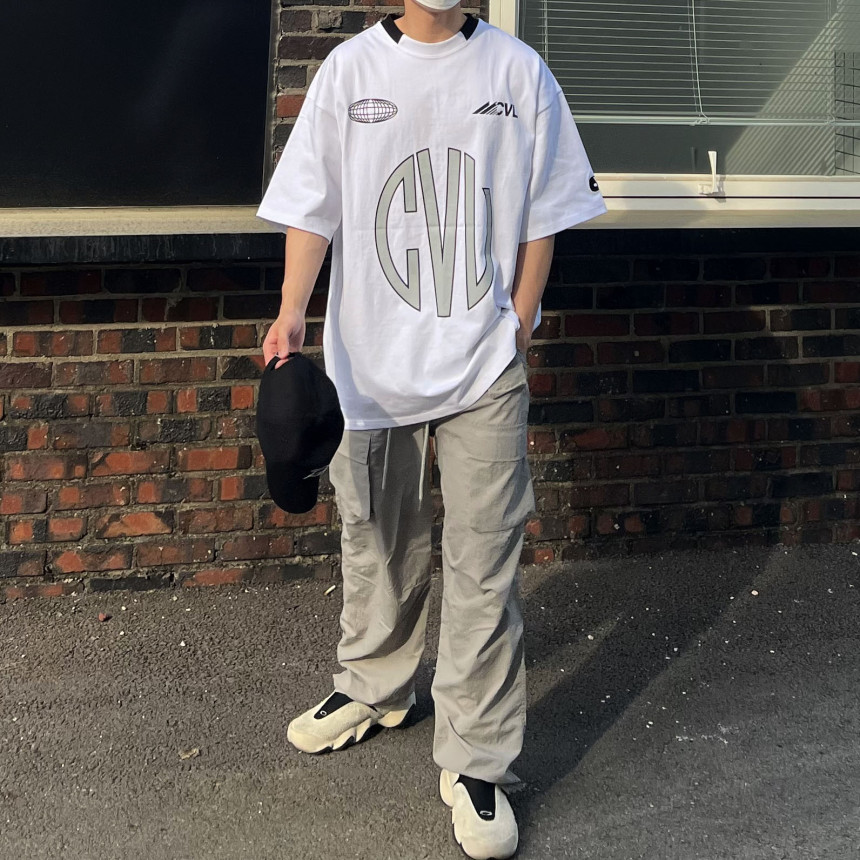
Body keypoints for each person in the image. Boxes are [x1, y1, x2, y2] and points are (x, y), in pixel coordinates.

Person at [258, 1, 607, 855]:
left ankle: (478, 761)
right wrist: (292, 308)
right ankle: (375, 687)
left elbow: (545, 209)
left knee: (484, 562)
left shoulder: (517, 72)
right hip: (369, 365)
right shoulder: (350, 72)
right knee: (377, 537)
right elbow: (313, 203)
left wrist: (521, 317)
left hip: (483, 363)